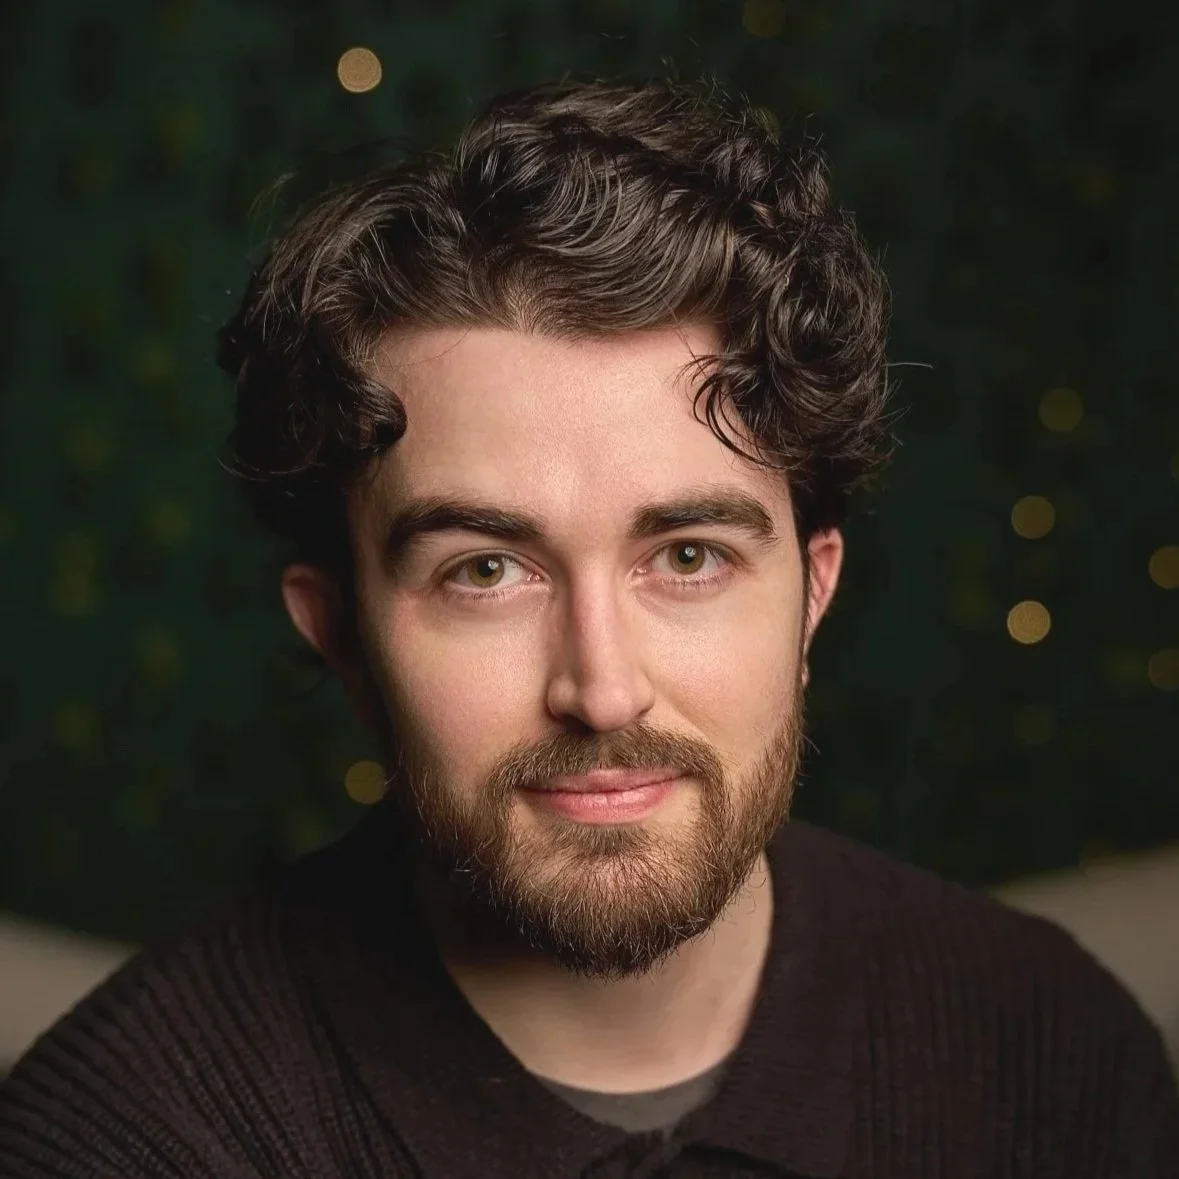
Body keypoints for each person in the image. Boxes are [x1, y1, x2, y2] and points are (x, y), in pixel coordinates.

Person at [2, 75, 1176, 1179]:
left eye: (688, 557)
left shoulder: (1055, 1055)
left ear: (814, 595)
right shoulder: (120, 1141)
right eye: (487, 571)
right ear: (343, 637)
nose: (603, 691)